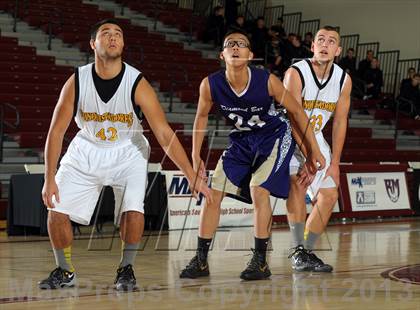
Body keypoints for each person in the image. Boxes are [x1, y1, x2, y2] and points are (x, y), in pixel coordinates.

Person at [39, 19, 211, 291]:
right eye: (105, 33)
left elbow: (164, 134)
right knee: (56, 209)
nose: (112, 37)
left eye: (118, 34)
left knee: (133, 209)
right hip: (86, 147)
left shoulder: (137, 82)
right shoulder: (76, 81)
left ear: (123, 44)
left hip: (128, 148)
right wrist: (49, 177)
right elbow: (56, 132)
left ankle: (126, 268)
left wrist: (190, 174)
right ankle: (65, 270)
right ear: (93, 44)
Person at [179, 28, 325, 281]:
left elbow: (297, 112)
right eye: (230, 44)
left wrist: (313, 149)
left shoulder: (266, 80)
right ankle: (201, 261)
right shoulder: (210, 84)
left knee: (259, 189)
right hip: (243, 140)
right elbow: (201, 117)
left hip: (275, 136)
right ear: (222, 55)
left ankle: (260, 262)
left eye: (241, 44)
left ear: (250, 54)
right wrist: (195, 156)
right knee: (213, 193)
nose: (236, 47)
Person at [284, 26, 352, 272]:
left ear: (338, 50)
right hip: (287, 136)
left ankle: (304, 251)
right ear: (312, 46)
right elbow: (293, 117)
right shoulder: (295, 73)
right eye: (320, 40)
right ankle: (297, 249)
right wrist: (310, 157)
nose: (325, 44)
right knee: (297, 184)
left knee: (330, 195)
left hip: (316, 137)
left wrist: (334, 162)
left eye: (331, 41)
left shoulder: (343, 79)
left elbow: (340, 121)